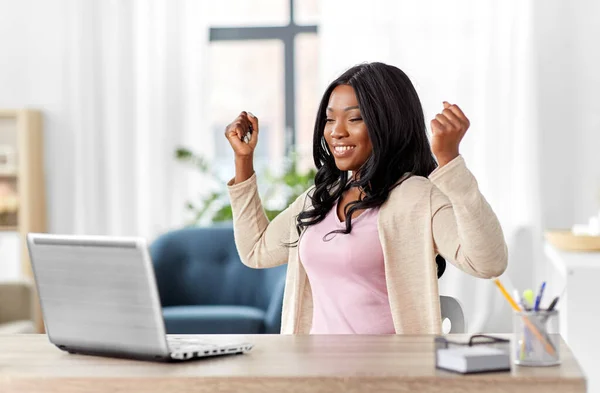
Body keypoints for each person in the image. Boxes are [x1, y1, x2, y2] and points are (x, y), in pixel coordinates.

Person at [224, 62, 508, 335]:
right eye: (330, 119)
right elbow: (256, 250)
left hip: (386, 375)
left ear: (388, 123)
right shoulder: (319, 199)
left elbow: (488, 262)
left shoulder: (417, 197)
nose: (336, 131)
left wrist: (449, 161)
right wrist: (243, 160)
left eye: (355, 118)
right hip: (314, 372)